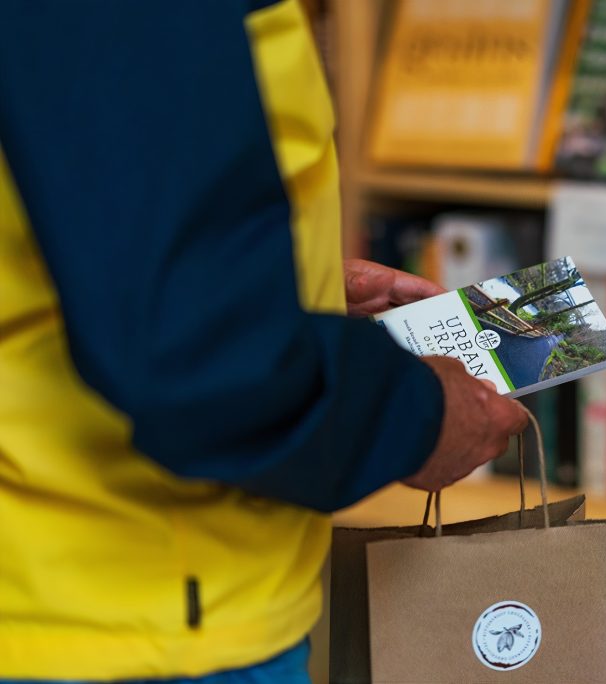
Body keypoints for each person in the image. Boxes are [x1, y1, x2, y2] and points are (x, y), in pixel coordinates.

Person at [0, 1, 527, 682]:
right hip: (127, 618)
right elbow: (195, 354)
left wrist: (276, 289)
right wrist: (422, 416)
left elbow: (104, 195)